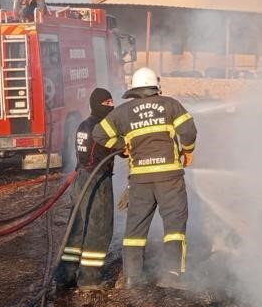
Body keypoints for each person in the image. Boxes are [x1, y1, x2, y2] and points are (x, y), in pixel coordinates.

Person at [92, 67, 197, 289]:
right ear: (155, 87)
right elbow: (188, 131)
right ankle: (171, 275)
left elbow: (99, 134)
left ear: (134, 89)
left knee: (135, 230)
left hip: (140, 180)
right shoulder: (170, 104)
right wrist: (187, 150)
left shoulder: (123, 112)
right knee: (174, 225)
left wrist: (123, 146)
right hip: (170, 177)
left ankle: (132, 278)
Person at [54, 88, 117, 291]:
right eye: (108, 103)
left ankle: (66, 274)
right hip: (97, 180)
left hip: (81, 178)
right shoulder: (101, 126)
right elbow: (117, 148)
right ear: (98, 104)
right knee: (99, 228)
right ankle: (89, 279)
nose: (111, 106)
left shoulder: (83, 124)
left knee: (77, 228)